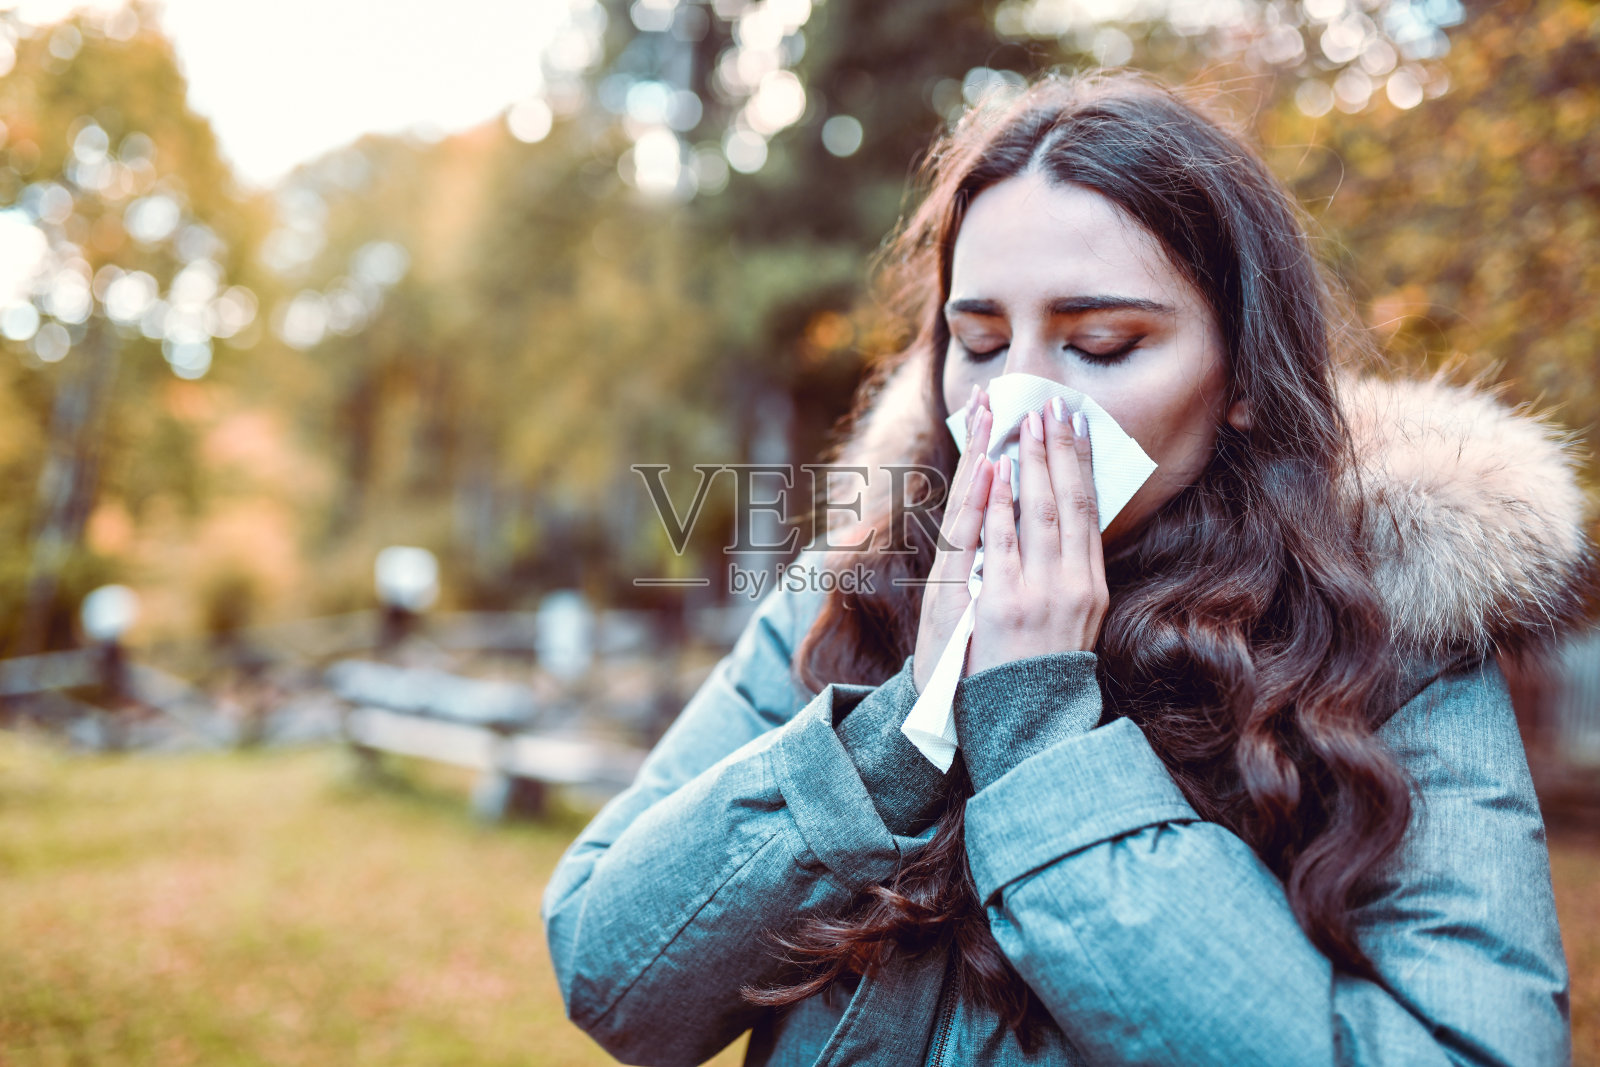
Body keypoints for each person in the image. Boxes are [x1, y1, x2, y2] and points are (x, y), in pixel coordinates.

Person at [544, 70, 1587, 1065]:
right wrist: (905, 724)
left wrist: (1038, 736)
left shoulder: (1385, 644)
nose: (1016, 404)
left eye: (1098, 344)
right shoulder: (853, 592)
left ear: (1241, 378)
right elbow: (610, 973)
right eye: (982, 340)